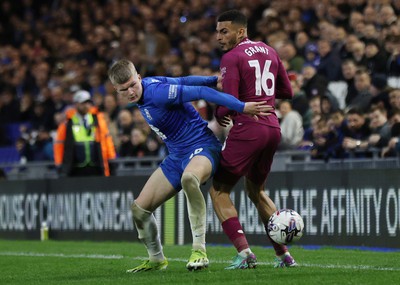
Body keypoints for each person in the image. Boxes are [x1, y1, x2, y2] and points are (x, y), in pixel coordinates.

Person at [107, 59, 271, 273]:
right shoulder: (149, 86)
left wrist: (242, 107)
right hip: (177, 156)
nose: (130, 91)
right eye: (123, 89)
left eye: (132, 85)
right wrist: (213, 79)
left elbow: (202, 93)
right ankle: (157, 259)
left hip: (202, 146)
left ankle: (199, 250)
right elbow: (183, 80)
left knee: (189, 179)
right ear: (116, 90)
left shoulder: (157, 92)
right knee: (139, 210)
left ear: (138, 77)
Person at [209, 10, 296, 270]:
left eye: (224, 31)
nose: (219, 37)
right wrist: (263, 94)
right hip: (272, 128)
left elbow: (232, 102)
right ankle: (284, 255)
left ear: (241, 32)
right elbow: (287, 91)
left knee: (219, 190)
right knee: (256, 191)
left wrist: (218, 111)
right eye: (217, 31)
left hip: (249, 129)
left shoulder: (231, 57)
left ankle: (244, 252)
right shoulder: (269, 50)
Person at [53, 90, 116, 177]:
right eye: (83, 103)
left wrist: (111, 160)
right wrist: (59, 165)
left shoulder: (98, 120)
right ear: (76, 104)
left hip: (96, 166)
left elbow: (107, 141)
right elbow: (59, 145)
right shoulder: (67, 123)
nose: (87, 106)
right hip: (75, 168)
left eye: (88, 103)